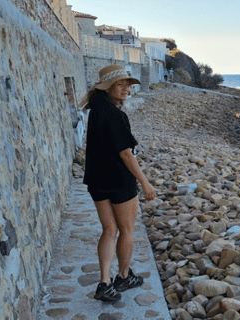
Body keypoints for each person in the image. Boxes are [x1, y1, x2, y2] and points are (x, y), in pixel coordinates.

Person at [80, 65, 157, 303]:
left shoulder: (96, 109)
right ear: (108, 86)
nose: (126, 89)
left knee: (109, 230)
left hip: (96, 179)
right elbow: (126, 154)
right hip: (119, 181)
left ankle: (104, 283)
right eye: (120, 84)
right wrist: (145, 183)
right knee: (126, 230)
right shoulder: (115, 114)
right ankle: (123, 277)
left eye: (128, 85)